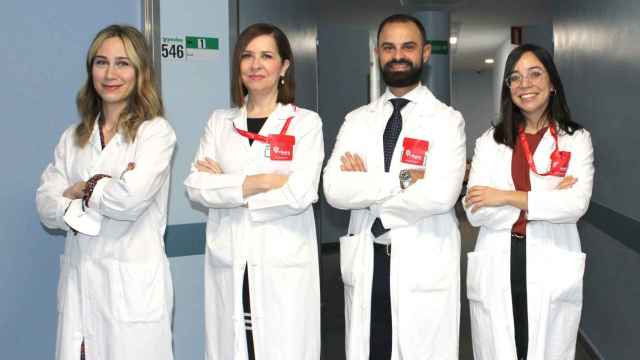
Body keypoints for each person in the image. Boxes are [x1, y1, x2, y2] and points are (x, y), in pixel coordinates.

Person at [323, 14, 466, 360]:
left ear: (425, 53)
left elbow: (442, 193)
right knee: (372, 349)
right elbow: (334, 189)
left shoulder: (447, 120)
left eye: (408, 47)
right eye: (389, 47)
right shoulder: (357, 120)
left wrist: (367, 181)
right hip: (368, 258)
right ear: (377, 53)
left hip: (423, 257)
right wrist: (407, 180)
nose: (397, 55)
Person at [35, 24, 176, 360]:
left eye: (122, 63)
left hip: (130, 295)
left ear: (140, 72)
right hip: (80, 292)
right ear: (91, 70)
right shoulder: (73, 137)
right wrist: (102, 188)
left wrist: (83, 189)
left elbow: (129, 200)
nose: (110, 73)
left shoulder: (155, 134)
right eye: (101, 62)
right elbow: (44, 203)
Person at [184, 23, 323, 360]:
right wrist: (259, 182)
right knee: (233, 346)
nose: (255, 65)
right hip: (230, 259)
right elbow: (195, 186)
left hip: (281, 263)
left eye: (266, 56)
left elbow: (300, 194)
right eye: (247, 56)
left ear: (284, 67)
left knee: (281, 347)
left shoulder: (305, 123)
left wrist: (228, 185)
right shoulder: (220, 122)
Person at [464, 44, 594, 360]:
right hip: (499, 258)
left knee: (545, 348)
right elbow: (475, 211)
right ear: (508, 89)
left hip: (550, 259)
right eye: (515, 77)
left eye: (535, 74)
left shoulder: (576, 139)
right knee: (501, 347)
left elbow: (575, 205)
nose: (525, 85)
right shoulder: (488, 142)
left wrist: (504, 196)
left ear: (552, 84)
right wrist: (548, 196)